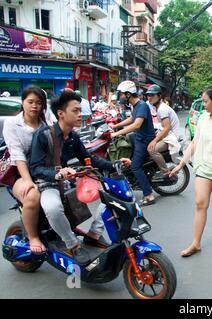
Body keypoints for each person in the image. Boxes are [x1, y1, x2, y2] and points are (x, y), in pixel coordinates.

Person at [29, 90, 129, 264]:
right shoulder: (44, 135)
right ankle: (73, 244)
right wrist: (57, 173)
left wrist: (115, 163)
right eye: (75, 111)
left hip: (67, 183)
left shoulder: (73, 137)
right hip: (47, 185)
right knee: (53, 208)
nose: (80, 114)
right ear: (61, 114)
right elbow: (35, 168)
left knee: (109, 196)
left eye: (80, 110)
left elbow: (90, 159)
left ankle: (94, 233)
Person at [169, 86, 212, 257]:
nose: (203, 105)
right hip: (204, 166)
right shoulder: (202, 118)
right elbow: (194, 143)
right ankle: (196, 243)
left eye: (206, 101)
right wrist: (180, 164)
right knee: (200, 204)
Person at [3, 86, 53, 254]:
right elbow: (17, 155)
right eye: (30, 102)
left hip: (43, 170)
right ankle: (33, 237)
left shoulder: (47, 121)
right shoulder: (12, 124)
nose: (34, 106)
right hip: (18, 171)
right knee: (32, 196)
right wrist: (28, 181)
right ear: (23, 102)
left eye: (39, 103)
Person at [110, 80, 157, 206]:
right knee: (126, 141)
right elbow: (131, 119)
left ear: (128, 94)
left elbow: (136, 124)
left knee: (135, 166)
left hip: (144, 139)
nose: (120, 97)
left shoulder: (142, 105)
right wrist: (116, 126)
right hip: (138, 136)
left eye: (122, 94)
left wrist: (117, 133)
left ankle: (149, 195)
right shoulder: (135, 106)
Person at [145, 85, 181, 176]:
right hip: (167, 134)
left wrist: (155, 140)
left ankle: (165, 172)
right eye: (148, 95)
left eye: (152, 95)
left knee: (152, 149)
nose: (149, 97)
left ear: (159, 96)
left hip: (171, 136)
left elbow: (166, 128)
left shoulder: (162, 109)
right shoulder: (158, 107)